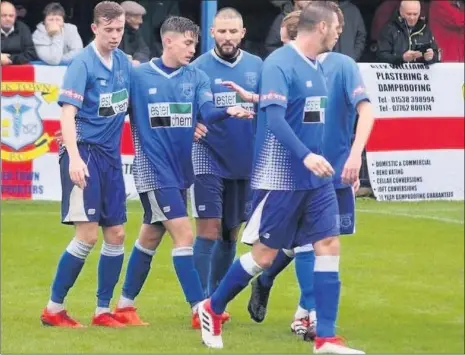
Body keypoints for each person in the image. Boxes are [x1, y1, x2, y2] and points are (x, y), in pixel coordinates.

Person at [198, 2, 364, 354]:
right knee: (264, 257)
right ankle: (212, 308)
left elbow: (296, 110)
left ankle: (325, 338)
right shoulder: (278, 64)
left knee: (328, 245)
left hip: (315, 180)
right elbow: (275, 120)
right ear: (320, 27)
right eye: (336, 27)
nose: (339, 33)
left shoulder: (318, 66)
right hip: (283, 178)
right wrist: (307, 155)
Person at [111, 16, 254, 328]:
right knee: (185, 234)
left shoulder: (197, 77)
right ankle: (200, 308)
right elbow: (110, 109)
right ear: (168, 41)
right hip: (153, 170)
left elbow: (206, 111)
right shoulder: (138, 77)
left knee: (150, 236)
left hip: (180, 172)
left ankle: (124, 306)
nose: (193, 49)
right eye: (188, 43)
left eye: (194, 43)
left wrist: (227, 111)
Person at [243, 9, 374, 344]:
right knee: (305, 245)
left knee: (321, 243)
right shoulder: (291, 62)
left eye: (339, 26)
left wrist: (355, 154)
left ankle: (273, 284)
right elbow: (282, 111)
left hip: (334, 169)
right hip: (296, 172)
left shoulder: (343, 66)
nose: (336, 31)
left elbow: (366, 109)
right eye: (333, 25)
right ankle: (311, 319)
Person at [40, 1, 131, 328]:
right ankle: (54, 308)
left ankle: (103, 311)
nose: (115, 36)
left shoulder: (123, 63)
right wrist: (75, 158)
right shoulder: (82, 64)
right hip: (86, 154)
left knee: (117, 233)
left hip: (110, 158)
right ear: (94, 29)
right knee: (88, 234)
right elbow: (66, 113)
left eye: (119, 29)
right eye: (109, 30)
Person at [190, 7, 263, 306]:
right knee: (208, 228)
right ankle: (198, 302)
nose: (228, 37)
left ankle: (216, 299)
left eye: (233, 31)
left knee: (231, 234)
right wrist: (192, 123)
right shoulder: (197, 67)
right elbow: (182, 104)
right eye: (222, 31)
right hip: (208, 155)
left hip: (245, 159)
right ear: (212, 33)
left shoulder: (259, 66)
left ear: (243, 33)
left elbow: (273, 107)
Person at [377, 0, 439, 65]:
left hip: (419, 74)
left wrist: (431, 57)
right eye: (409, 14)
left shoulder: (424, 29)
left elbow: (436, 53)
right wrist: (401, 58)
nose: (412, 17)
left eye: (415, 14)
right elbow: (381, 56)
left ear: (420, 13)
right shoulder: (389, 29)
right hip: (396, 74)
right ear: (401, 12)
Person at [1, 1, 37, 65]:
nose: (8, 18)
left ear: (15, 17)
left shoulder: (23, 29)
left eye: (11, 16)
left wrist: (10, 59)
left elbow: (31, 53)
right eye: (4, 15)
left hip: (18, 72)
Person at [119, 1, 150, 65]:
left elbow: (144, 49)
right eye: (138, 18)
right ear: (127, 18)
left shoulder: (135, 32)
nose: (141, 21)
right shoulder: (114, 32)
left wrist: (138, 60)